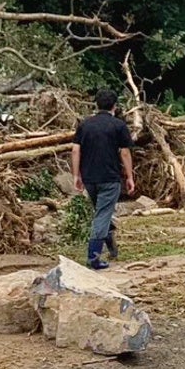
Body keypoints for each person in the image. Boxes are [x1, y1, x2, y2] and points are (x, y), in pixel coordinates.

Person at [71, 89, 135, 270]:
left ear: (96, 105)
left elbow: (76, 150)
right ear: (115, 106)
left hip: (90, 178)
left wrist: (76, 175)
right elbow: (124, 152)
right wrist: (129, 177)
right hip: (109, 177)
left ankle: (112, 247)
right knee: (102, 215)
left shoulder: (85, 125)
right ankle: (94, 258)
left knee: (102, 212)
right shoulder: (118, 125)